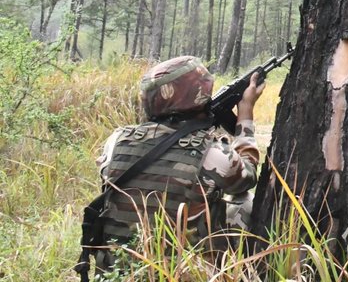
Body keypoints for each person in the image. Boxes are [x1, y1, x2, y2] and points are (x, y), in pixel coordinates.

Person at [90, 55, 265, 267]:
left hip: (119, 267)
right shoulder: (212, 153)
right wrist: (245, 115)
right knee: (245, 201)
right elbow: (247, 176)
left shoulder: (116, 141)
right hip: (182, 269)